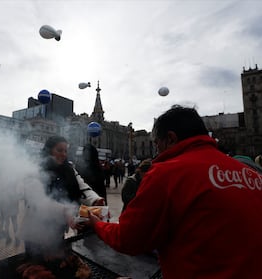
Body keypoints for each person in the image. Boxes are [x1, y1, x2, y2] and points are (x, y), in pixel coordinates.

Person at [86, 105, 262, 279]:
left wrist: (97, 224)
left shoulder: (167, 173)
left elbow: (128, 239)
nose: (156, 151)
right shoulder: (252, 175)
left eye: (157, 144)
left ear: (170, 138)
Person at [22, 135, 105, 257]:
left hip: (58, 228)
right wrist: (64, 210)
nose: (64, 154)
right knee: (36, 266)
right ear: (49, 150)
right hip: (36, 230)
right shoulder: (35, 168)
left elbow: (82, 186)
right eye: (59, 150)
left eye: (66, 151)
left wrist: (95, 199)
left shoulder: (69, 168)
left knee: (55, 262)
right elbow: (37, 199)